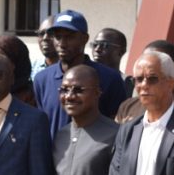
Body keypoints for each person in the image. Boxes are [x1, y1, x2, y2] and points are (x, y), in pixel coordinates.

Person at [34, 10, 128, 138]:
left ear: (85, 39)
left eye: (69, 36)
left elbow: (117, 125)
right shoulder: (42, 79)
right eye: (58, 36)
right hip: (53, 156)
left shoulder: (110, 78)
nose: (62, 43)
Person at [91, 27, 134, 96]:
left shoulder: (128, 84)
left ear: (121, 52)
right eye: (95, 45)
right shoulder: (83, 77)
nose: (97, 49)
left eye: (104, 45)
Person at [31, 16, 58, 80]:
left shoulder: (69, 68)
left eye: (51, 33)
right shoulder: (33, 67)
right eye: (41, 33)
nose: (45, 38)